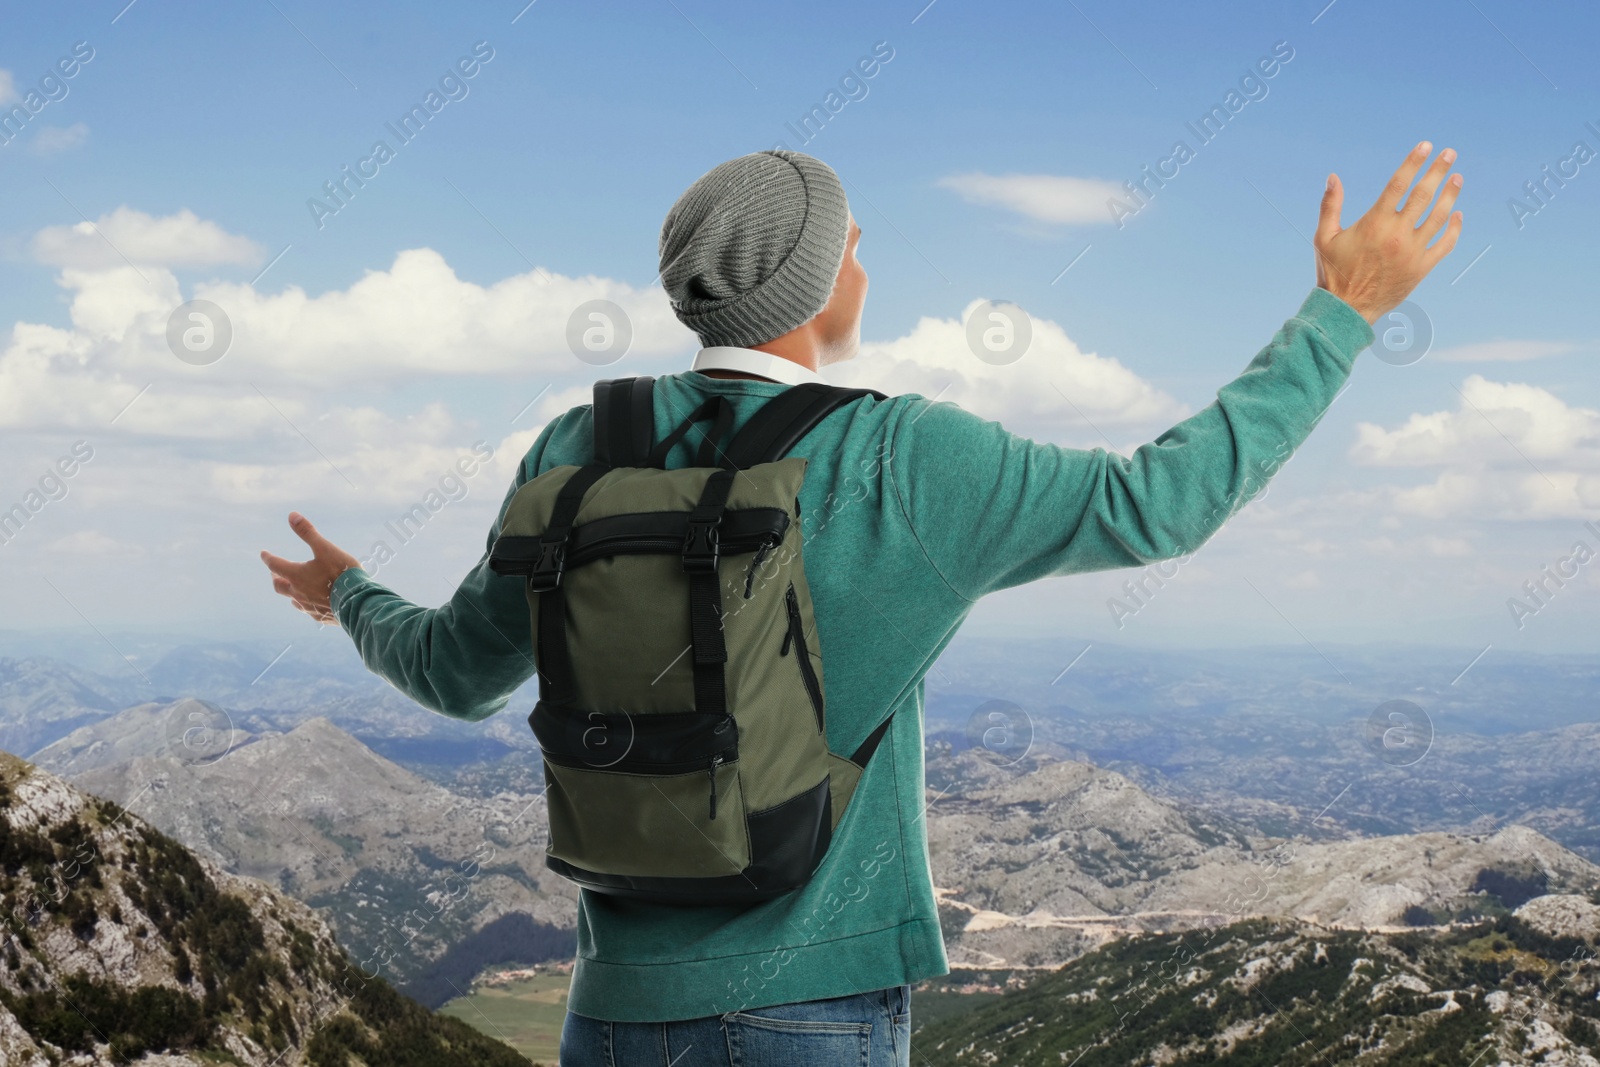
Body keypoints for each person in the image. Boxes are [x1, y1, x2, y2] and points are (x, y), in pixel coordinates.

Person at [262, 144, 1463, 1066]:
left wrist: (349, 593)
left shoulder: (576, 447)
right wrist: (1340, 310)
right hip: (807, 1014)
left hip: (610, 1016)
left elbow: (453, 671)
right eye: (854, 247)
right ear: (819, 279)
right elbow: (1161, 503)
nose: (865, 266)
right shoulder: (905, 458)